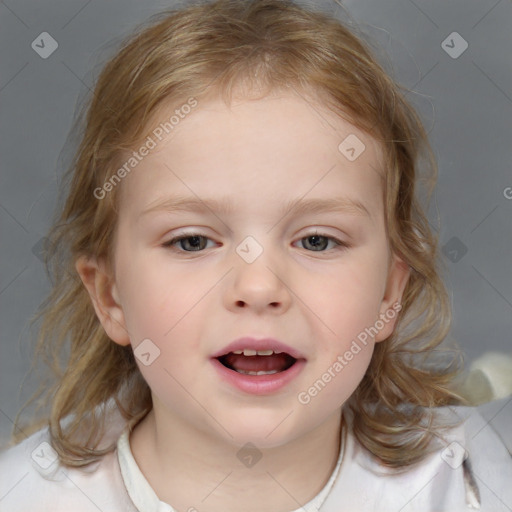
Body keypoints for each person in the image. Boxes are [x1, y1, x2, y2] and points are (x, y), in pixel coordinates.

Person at [1, 0, 510, 510]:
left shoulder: (471, 486)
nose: (259, 287)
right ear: (110, 295)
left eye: (317, 240)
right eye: (192, 241)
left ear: (389, 292)